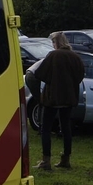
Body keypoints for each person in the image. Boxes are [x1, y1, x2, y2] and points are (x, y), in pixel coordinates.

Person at [32, 32, 84, 170]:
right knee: (66, 127)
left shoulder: (53, 56)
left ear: (56, 42)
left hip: (52, 98)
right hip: (69, 97)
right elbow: (80, 76)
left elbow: (40, 74)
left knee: (46, 129)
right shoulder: (75, 57)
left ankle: (46, 160)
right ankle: (66, 159)